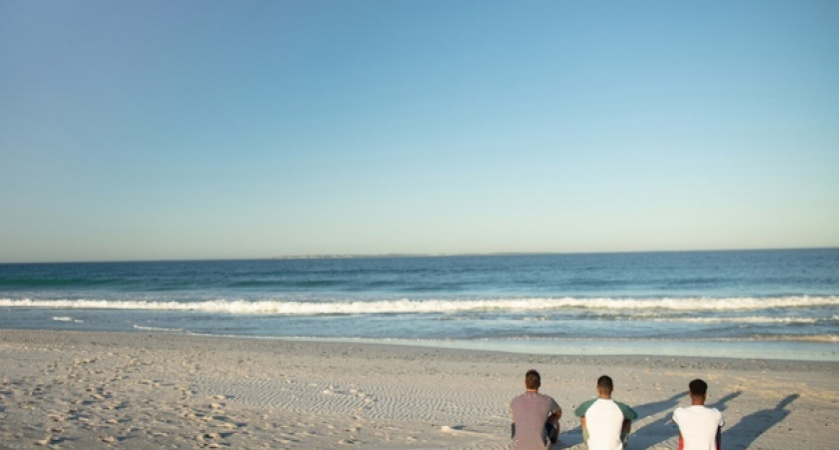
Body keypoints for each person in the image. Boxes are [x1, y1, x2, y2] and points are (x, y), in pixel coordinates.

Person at [574, 375, 637, 450]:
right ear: (612, 388)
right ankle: (621, 443)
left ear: (597, 389)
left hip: (593, 448)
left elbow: (577, 413)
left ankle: (591, 444)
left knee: (583, 418)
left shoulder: (588, 405)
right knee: (627, 420)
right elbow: (633, 415)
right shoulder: (621, 407)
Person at [510, 369, 562, 449]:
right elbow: (558, 413)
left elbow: (514, 414)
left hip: (517, 445)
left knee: (515, 418)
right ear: (539, 384)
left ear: (525, 383)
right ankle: (553, 441)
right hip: (540, 446)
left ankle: (520, 438)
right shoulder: (548, 400)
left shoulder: (515, 400)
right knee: (555, 418)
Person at [672, 379, 724, 450]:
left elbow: (674, 420)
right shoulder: (716, 413)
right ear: (705, 395)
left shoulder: (679, 412)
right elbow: (721, 424)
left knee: (682, 426)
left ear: (690, 394)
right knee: (717, 427)